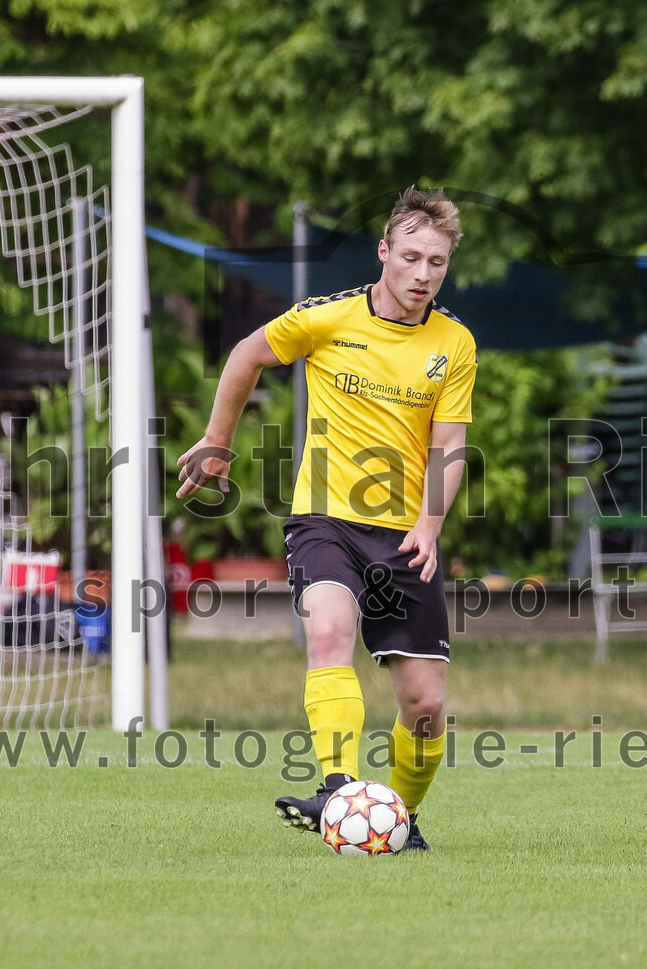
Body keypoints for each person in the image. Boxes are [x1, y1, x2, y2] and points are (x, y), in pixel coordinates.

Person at [177, 186, 477, 851]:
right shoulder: (327, 318)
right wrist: (219, 440)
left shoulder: (453, 343)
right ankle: (340, 786)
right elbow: (246, 355)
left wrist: (429, 524)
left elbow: (450, 446)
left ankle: (397, 814)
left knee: (425, 706)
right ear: (383, 253)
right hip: (326, 520)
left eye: (437, 262)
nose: (423, 274)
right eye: (411, 257)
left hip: (406, 534)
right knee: (330, 629)